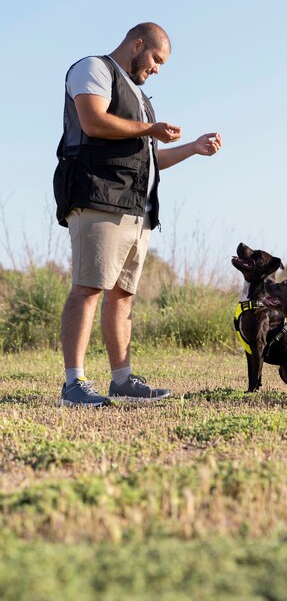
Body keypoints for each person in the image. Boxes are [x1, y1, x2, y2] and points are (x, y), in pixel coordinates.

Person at [53, 22, 222, 407]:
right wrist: (151, 127)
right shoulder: (94, 68)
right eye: (156, 59)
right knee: (88, 288)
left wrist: (193, 148)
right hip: (98, 197)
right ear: (137, 44)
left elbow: (150, 158)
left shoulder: (141, 99)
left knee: (122, 296)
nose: (157, 68)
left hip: (136, 210)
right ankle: (73, 385)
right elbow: (93, 120)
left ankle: (122, 380)